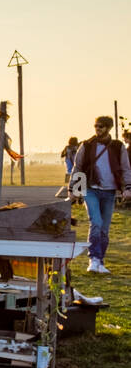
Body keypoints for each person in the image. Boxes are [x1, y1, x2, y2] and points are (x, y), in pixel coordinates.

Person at [72, 116, 131, 273]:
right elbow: (77, 168)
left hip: (109, 191)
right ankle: (93, 259)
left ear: (109, 128)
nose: (97, 129)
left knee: (104, 229)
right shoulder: (87, 145)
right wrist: (74, 190)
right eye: (96, 126)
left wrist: (128, 188)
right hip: (91, 189)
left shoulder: (118, 147)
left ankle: (101, 262)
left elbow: (126, 168)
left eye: (101, 127)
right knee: (96, 222)